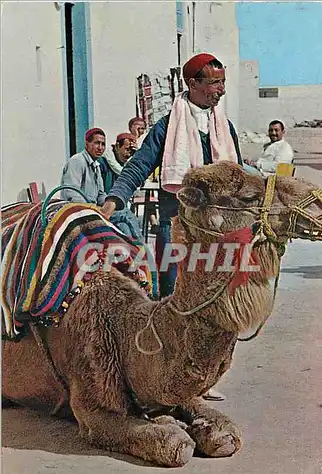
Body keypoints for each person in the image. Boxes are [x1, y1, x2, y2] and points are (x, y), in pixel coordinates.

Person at [102, 53, 242, 299]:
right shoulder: (167, 127)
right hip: (177, 224)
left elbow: (237, 177)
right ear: (193, 84)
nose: (221, 90)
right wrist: (114, 199)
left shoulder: (225, 129)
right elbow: (138, 166)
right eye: (214, 83)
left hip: (218, 227)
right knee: (173, 295)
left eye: (223, 83)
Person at [98, 133, 143, 240]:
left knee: (126, 229)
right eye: (127, 149)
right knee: (129, 220)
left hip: (118, 212)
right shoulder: (102, 164)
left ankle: (136, 253)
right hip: (105, 209)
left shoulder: (124, 164)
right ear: (117, 146)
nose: (128, 154)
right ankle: (142, 250)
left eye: (131, 152)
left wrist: (137, 156)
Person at [60, 127, 106, 205]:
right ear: (87, 144)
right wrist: (91, 208)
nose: (100, 148)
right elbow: (71, 192)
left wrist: (110, 203)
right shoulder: (77, 161)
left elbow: (100, 195)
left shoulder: (96, 165)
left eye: (103, 144)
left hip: (90, 209)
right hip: (75, 209)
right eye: (97, 143)